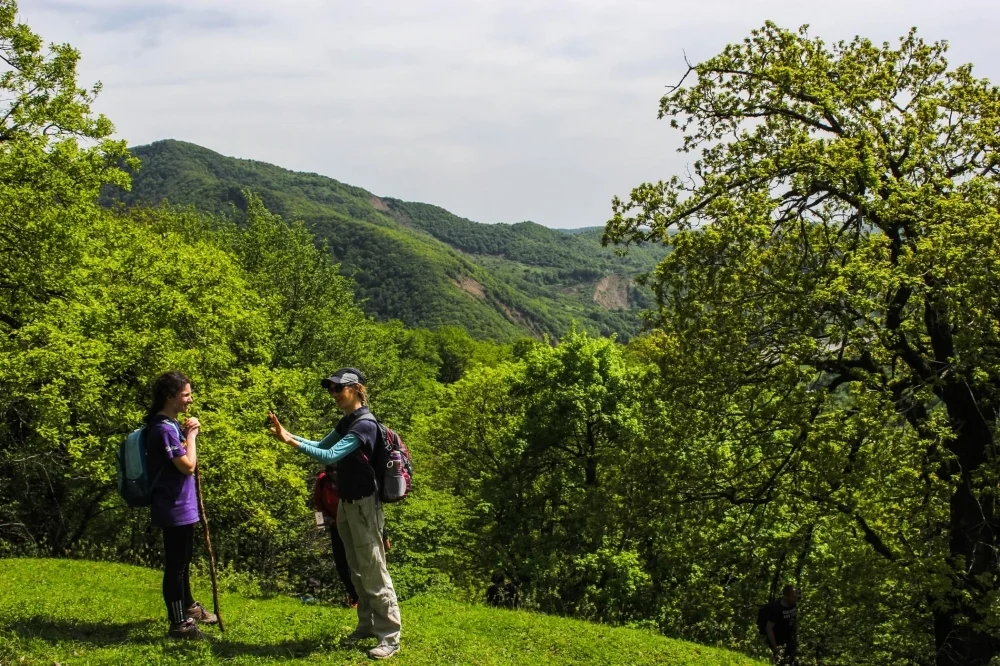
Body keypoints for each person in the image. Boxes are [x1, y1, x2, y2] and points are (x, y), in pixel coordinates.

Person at [269, 367, 401, 660]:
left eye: (338, 389)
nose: (333, 394)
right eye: (330, 389)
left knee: (373, 568)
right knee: (355, 568)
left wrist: (290, 442)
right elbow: (320, 445)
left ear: (356, 389)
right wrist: (287, 435)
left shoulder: (364, 424)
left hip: (366, 505)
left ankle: (389, 636)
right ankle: (366, 624)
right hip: (347, 503)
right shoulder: (348, 421)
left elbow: (329, 457)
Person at [144, 371, 218, 640]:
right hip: (172, 507)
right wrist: (193, 436)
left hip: (183, 506)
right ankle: (179, 624)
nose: (190, 399)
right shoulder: (163, 428)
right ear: (170, 397)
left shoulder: (172, 425)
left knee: (183, 561)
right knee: (175, 565)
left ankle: (189, 608)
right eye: (186, 394)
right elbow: (187, 466)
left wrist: (186, 432)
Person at [763, 585, 799, 665]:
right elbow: (769, 628)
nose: (796, 598)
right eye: (793, 596)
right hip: (778, 642)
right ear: (786, 596)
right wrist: (775, 648)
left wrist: (795, 640)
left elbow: (794, 623)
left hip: (789, 642)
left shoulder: (794, 605)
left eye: (796, 595)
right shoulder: (777, 608)